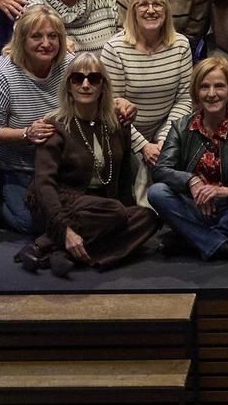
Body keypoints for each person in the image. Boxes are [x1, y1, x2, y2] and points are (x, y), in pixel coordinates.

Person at [16, 51, 159, 277]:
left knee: (149, 217)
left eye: (93, 79)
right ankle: (57, 242)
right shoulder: (54, 125)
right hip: (61, 201)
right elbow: (44, 185)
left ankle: (57, 251)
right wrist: (64, 229)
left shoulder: (117, 123)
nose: (85, 84)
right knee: (114, 211)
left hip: (101, 207)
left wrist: (128, 214)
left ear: (103, 86)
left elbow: (122, 179)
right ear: (69, 87)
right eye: (77, 78)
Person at [141, 53, 228, 263]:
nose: (211, 94)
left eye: (219, 86)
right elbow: (161, 170)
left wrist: (227, 190)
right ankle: (222, 245)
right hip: (195, 206)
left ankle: (189, 240)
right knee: (157, 192)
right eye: (204, 87)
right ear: (196, 92)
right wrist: (190, 180)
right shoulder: (181, 126)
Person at [0, 4, 71, 233]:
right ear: (21, 40)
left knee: (67, 216)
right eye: (36, 36)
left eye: (53, 36)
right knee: (30, 224)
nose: (46, 43)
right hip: (9, 160)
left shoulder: (69, 65)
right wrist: (27, 133)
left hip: (53, 162)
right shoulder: (1, 73)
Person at [102, 0, 195, 187]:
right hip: (122, 136)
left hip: (167, 131)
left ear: (166, 10)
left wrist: (164, 140)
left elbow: (184, 99)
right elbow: (111, 106)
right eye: (143, 4)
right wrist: (142, 145)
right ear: (133, 10)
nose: (150, 10)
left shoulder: (181, 45)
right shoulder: (115, 49)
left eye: (157, 4)